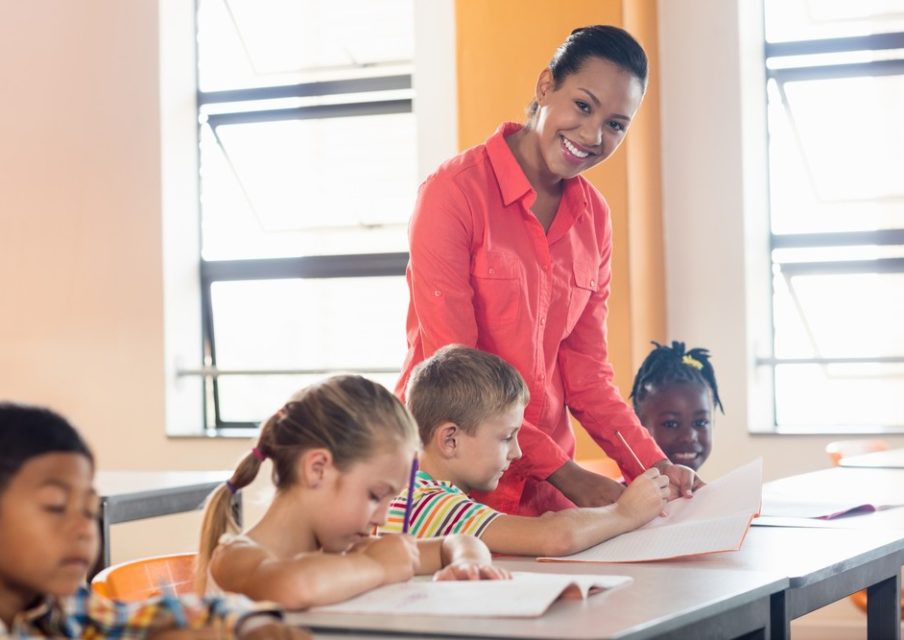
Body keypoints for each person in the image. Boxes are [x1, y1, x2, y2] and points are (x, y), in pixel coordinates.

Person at [398, 24, 698, 516]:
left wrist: (651, 466)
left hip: (545, 488)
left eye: (616, 124)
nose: (593, 135)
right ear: (545, 87)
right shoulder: (453, 194)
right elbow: (456, 369)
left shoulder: (594, 218)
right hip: (453, 475)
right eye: (583, 105)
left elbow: (588, 375)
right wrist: (564, 472)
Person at [196, 375, 508, 609]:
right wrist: (379, 567)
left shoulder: (345, 551)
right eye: (375, 495)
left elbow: (456, 542)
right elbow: (295, 585)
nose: (384, 516)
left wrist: (467, 563)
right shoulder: (234, 558)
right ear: (318, 468)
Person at [0, 402, 305, 639]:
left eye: (89, 510)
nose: (84, 529)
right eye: (55, 506)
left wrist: (247, 623)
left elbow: (155, 613)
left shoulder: (58, 607)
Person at [380, 345, 669, 557]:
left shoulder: (409, 489)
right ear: (450, 440)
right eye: (507, 437)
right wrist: (626, 512)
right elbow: (555, 536)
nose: (517, 453)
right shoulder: (428, 503)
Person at [629, 341, 723, 472]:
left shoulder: (703, 491)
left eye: (700, 422)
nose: (689, 436)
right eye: (671, 424)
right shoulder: (624, 492)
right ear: (637, 424)